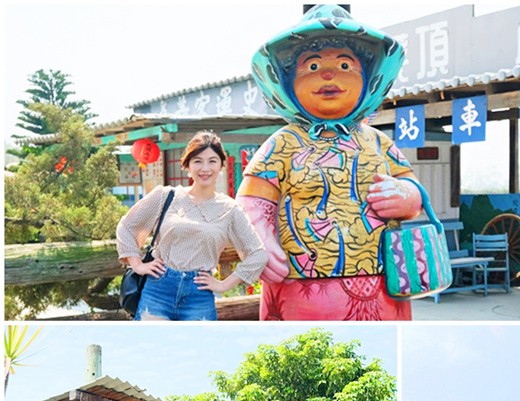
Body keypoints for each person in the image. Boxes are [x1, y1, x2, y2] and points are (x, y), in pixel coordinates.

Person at [239, 5, 426, 320]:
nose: (328, 75)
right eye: (311, 66)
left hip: (384, 285)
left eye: (344, 64)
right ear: (287, 81)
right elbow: (252, 199)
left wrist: (408, 195)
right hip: (298, 288)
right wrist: (257, 238)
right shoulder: (283, 142)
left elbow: (414, 188)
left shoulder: (378, 141)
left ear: (367, 78)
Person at [116, 131, 267, 320]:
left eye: (212, 161)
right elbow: (127, 226)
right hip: (158, 288)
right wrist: (137, 265)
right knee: (150, 346)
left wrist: (224, 284)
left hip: (199, 294)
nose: (205, 168)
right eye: (198, 161)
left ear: (221, 165)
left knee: (199, 349)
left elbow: (258, 253)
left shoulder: (231, 210)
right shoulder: (165, 196)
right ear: (187, 165)